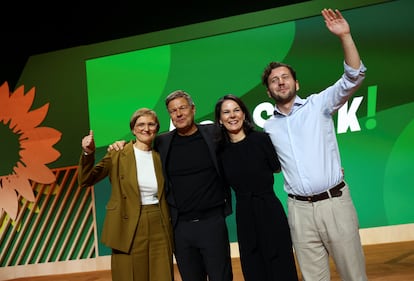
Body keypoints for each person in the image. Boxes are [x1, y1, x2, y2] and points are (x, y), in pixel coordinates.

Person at [261, 8, 368, 281]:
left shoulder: (318, 105)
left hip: (334, 204)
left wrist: (345, 35)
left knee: (354, 275)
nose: (280, 82)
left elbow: (354, 77)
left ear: (296, 83)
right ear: (268, 91)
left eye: (285, 77)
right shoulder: (267, 128)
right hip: (298, 211)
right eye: (274, 80)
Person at [109, 90, 233, 281]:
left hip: (212, 223)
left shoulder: (213, 133)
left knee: (221, 277)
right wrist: (119, 144)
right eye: (173, 111)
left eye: (182, 108)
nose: (179, 114)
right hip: (180, 228)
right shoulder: (163, 142)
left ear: (193, 109)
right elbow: (141, 141)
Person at [78, 108, 174, 281]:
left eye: (151, 124)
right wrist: (88, 153)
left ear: (157, 128)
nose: (146, 128)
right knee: (129, 274)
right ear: (133, 129)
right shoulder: (118, 153)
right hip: (127, 221)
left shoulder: (161, 155)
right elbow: (85, 179)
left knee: (162, 274)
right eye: (141, 124)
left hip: (158, 220)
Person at [214, 94, 299, 281]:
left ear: (244, 114)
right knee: (253, 265)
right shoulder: (219, 151)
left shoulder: (261, 140)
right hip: (244, 214)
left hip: (269, 208)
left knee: (281, 262)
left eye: (237, 110)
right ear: (220, 119)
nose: (232, 115)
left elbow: (278, 167)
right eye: (226, 112)